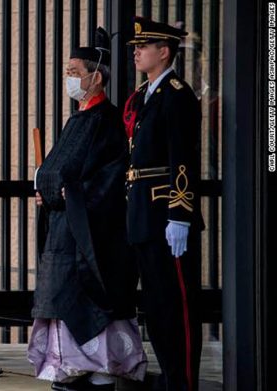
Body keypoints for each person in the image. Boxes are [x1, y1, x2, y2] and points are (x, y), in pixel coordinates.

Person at [28, 27, 147, 391]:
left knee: (90, 299)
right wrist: (46, 191)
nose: (69, 79)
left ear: (96, 77)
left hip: (90, 233)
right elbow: (56, 169)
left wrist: (68, 193)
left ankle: (98, 367)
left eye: (75, 72)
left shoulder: (108, 121)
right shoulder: (77, 118)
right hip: (63, 228)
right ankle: (67, 367)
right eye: (67, 72)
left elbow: (107, 178)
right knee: (61, 299)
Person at [123, 16, 205, 391]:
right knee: (155, 308)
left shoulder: (177, 94)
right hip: (142, 214)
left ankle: (182, 383)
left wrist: (180, 214)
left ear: (164, 51)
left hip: (166, 215)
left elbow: (182, 158)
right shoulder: (143, 96)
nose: (137, 52)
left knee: (177, 308)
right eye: (136, 48)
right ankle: (170, 378)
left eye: (144, 47)